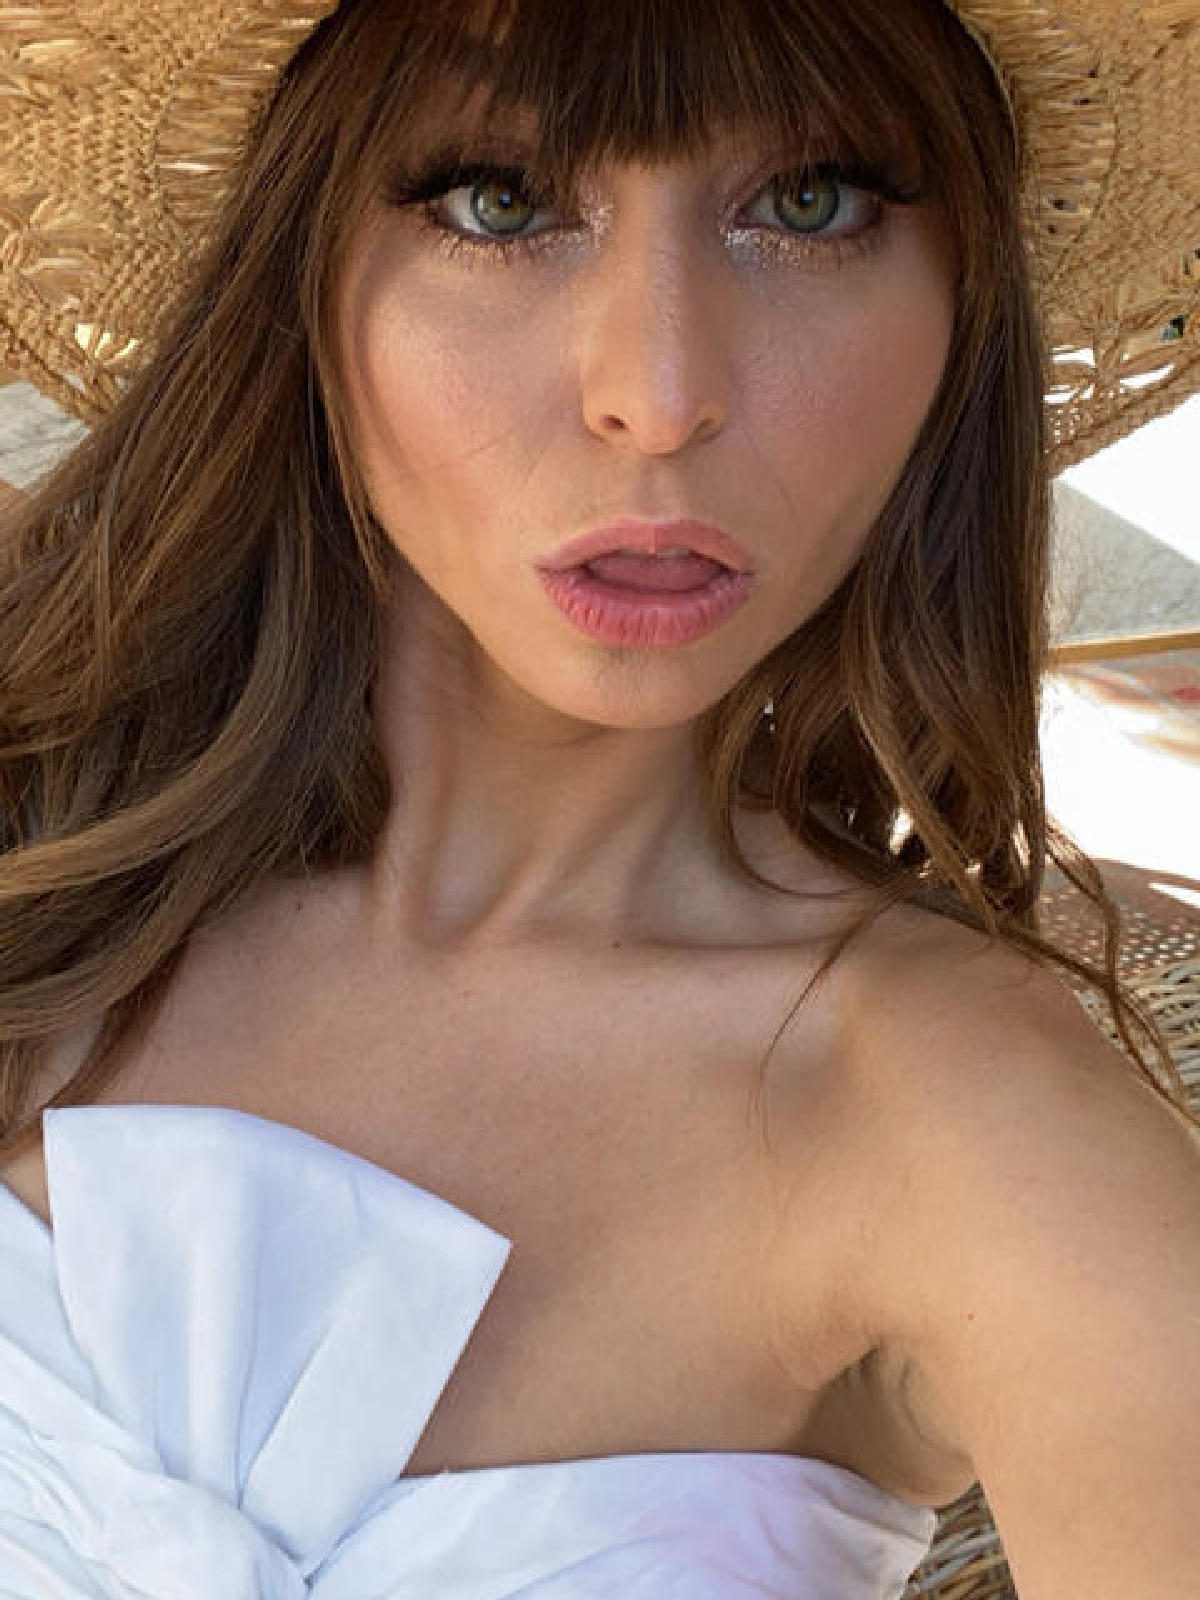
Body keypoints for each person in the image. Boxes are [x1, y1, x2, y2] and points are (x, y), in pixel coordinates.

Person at [0, 1, 1197, 1596]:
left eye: (811, 202)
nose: (659, 390)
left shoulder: (972, 1130)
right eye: (499, 200)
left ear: (965, 303)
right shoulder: (44, 761)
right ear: (296, 267)